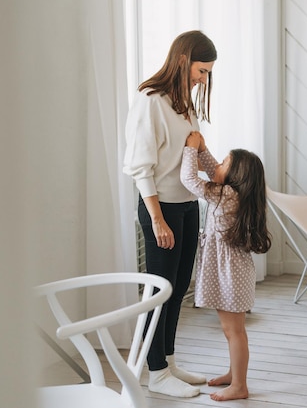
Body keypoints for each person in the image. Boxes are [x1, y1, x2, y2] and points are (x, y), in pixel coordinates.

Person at [122, 30, 217, 398]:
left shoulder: (184, 102)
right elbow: (140, 167)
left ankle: (170, 361)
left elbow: (190, 154)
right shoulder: (150, 100)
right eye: (201, 70)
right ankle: (155, 372)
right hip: (160, 208)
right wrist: (158, 218)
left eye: (207, 73)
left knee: (178, 289)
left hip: (188, 206)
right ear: (183, 60)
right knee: (158, 291)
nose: (203, 79)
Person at [180, 131, 272, 401]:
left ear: (235, 177)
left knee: (234, 332)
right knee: (231, 330)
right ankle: (234, 375)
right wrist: (204, 151)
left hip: (229, 274)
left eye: (222, 163)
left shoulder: (226, 195)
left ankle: (240, 386)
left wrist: (191, 149)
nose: (215, 166)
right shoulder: (233, 192)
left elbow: (189, 179)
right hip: (232, 272)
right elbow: (214, 173)